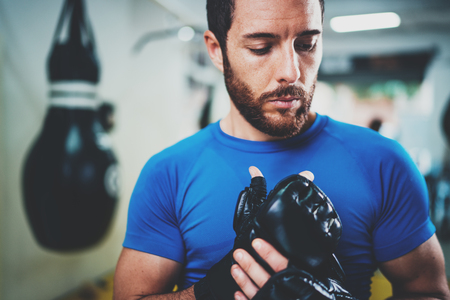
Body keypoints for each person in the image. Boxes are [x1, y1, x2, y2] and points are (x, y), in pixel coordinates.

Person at [113, 0, 450, 299]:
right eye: (261, 47)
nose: (291, 72)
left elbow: (429, 292)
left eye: (307, 44)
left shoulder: (383, 164)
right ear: (216, 50)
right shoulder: (169, 174)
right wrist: (209, 293)